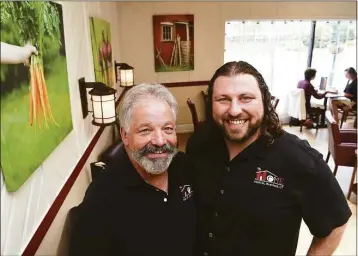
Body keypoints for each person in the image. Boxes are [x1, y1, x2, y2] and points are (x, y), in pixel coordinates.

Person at [186, 61, 351, 256]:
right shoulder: (199, 144)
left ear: (264, 100)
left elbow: (335, 224)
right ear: (210, 103)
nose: (234, 110)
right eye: (223, 99)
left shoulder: (298, 159)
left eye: (246, 98)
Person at [69, 84, 196, 256]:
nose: (159, 141)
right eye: (145, 130)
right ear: (125, 136)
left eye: (167, 129)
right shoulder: (101, 199)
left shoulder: (185, 166)